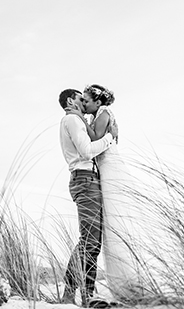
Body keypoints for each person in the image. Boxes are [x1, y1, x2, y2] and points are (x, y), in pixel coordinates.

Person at [58, 88, 118, 308]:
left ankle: (87, 296)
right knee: (89, 241)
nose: (84, 102)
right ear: (71, 101)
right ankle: (70, 291)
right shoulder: (73, 120)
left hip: (87, 180)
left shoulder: (77, 120)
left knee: (92, 243)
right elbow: (86, 151)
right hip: (85, 180)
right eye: (80, 99)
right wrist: (110, 137)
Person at [84, 84, 143, 302]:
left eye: (86, 101)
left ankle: (128, 282)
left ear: (98, 102)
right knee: (111, 224)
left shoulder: (103, 114)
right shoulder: (98, 114)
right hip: (104, 168)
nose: (83, 104)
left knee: (116, 219)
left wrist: (80, 121)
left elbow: (95, 142)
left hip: (109, 167)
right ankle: (122, 283)